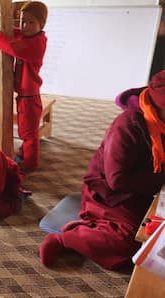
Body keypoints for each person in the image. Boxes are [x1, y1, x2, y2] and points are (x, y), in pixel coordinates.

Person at [39, 70, 165, 270]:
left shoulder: (160, 123)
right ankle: (65, 239)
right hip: (109, 194)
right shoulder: (128, 125)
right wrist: (161, 179)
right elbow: (117, 180)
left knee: (154, 236)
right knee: (130, 244)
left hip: (144, 188)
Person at [0, 1, 48, 171]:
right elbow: (13, 35)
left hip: (30, 97)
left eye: (31, 22)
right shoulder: (28, 36)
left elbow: (11, 46)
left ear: (42, 24)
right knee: (25, 129)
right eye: (22, 21)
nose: (24, 26)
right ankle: (25, 152)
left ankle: (30, 163)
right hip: (25, 95)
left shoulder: (36, 43)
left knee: (29, 133)